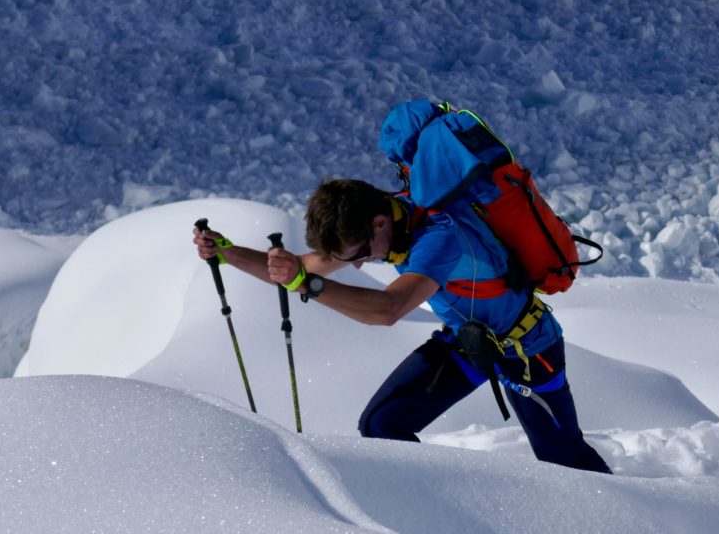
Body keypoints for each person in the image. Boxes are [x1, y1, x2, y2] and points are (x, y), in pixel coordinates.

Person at [192, 121, 611, 475]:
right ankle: (431, 519)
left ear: (379, 224)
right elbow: (302, 266)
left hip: (528, 349)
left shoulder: (440, 238)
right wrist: (227, 252)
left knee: (563, 457)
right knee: (382, 424)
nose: (357, 264)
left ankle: (628, 521)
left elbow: (388, 309)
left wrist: (308, 286)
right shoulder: (384, 222)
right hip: (469, 341)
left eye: (358, 254)